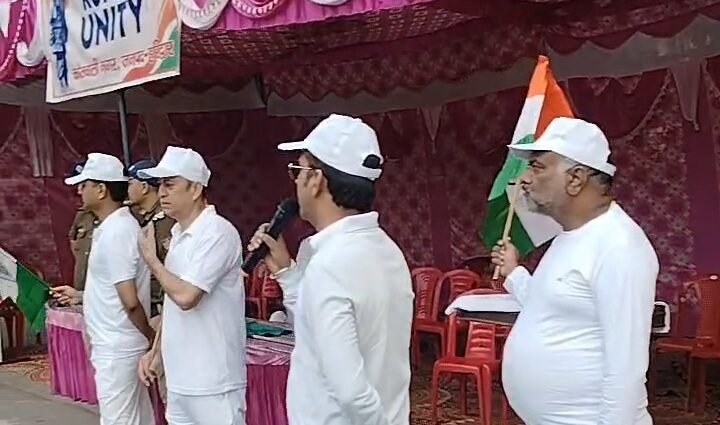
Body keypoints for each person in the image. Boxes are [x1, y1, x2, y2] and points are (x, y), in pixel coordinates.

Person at [490, 117, 659, 425]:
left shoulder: (618, 245)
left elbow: (626, 369)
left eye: (537, 167)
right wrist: (514, 272)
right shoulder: (569, 237)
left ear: (576, 178)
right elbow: (549, 309)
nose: (524, 179)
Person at [248, 114, 414, 425]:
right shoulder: (387, 250)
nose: (295, 181)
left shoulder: (331, 264)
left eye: (297, 170)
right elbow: (318, 332)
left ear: (316, 180)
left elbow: (350, 392)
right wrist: (287, 274)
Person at [135, 146, 246, 425]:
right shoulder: (177, 234)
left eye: (170, 184)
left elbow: (186, 296)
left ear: (195, 189)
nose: (162, 193)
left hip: (214, 382)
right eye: (160, 185)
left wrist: (153, 262)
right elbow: (172, 303)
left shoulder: (217, 232)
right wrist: (156, 351)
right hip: (180, 378)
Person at [51, 153, 154, 425]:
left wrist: (149, 335)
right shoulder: (111, 227)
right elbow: (113, 287)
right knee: (136, 417)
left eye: (84, 185)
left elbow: (129, 300)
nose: (79, 191)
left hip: (118, 344)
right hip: (116, 340)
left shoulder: (118, 230)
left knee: (118, 419)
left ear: (101, 189)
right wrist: (82, 296)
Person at [127, 159, 176, 318]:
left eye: (130, 183)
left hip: (162, 302)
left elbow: (169, 264)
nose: (127, 189)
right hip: (145, 299)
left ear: (144, 187)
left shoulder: (166, 220)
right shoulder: (136, 217)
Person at [66, 160, 99, 291]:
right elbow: (74, 244)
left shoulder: (123, 220)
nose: (79, 191)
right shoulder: (82, 215)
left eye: (84, 185)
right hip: (84, 289)